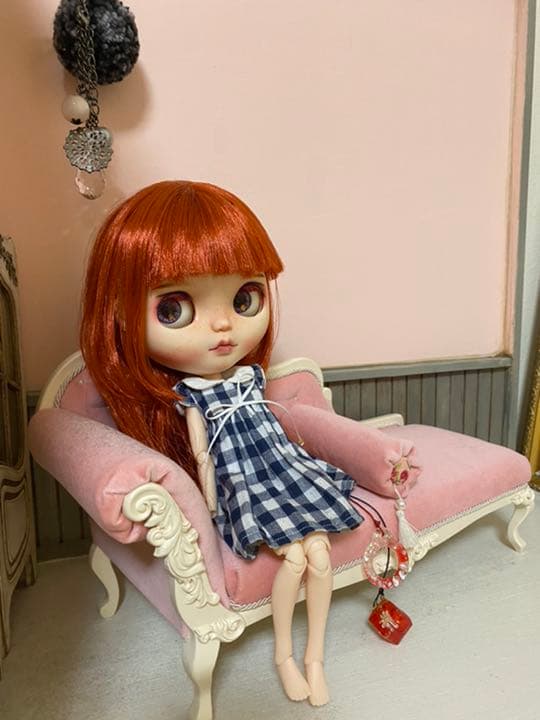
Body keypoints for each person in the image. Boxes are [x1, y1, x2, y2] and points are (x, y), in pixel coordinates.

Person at [80, 180, 363, 706]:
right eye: (173, 309)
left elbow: (272, 425)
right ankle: (284, 656)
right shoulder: (190, 396)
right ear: (118, 311)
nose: (223, 325)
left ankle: (314, 659)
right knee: (295, 560)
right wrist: (212, 509)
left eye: (244, 298)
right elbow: (203, 457)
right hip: (243, 484)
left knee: (320, 556)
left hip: (280, 466)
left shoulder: (250, 377)